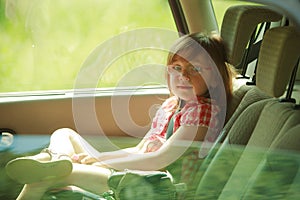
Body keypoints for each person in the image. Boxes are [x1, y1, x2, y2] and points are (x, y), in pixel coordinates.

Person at [6, 32, 234, 200]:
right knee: (65, 134)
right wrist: (105, 157)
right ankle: (53, 161)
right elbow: (141, 149)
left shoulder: (202, 113)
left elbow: (159, 159)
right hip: (135, 173)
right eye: (176, 67)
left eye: (195, 69)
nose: (183, 75)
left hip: (158, 187)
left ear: (214, 78)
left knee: (45, 180)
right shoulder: (172, 105)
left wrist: (104, 160)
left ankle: (50, 167)